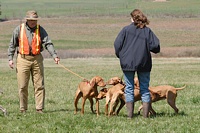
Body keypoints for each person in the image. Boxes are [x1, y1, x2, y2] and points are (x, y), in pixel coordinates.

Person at [8, 10, 60, 113]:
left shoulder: (40, 29)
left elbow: (48, 43)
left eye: (35, 20)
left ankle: (39, 108)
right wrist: (10, 59)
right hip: (22, 59)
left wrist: (54, 56)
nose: (33, 22)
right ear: (27, 20)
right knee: (22, 86)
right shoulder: (19, 29)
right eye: (31, 20)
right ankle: (23, 109)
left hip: (37, 59)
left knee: (39, 85)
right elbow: (12, 45)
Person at [114, 9, 160, 118]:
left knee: (129, 88)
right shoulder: (147, 31)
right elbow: (156, 47)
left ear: (132, 19)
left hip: (127, 63)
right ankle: (145, 116)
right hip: (144, 63)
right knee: (144, 88)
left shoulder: (125, 30)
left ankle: (130, 117)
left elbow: (117, 45)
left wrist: (122, 56)